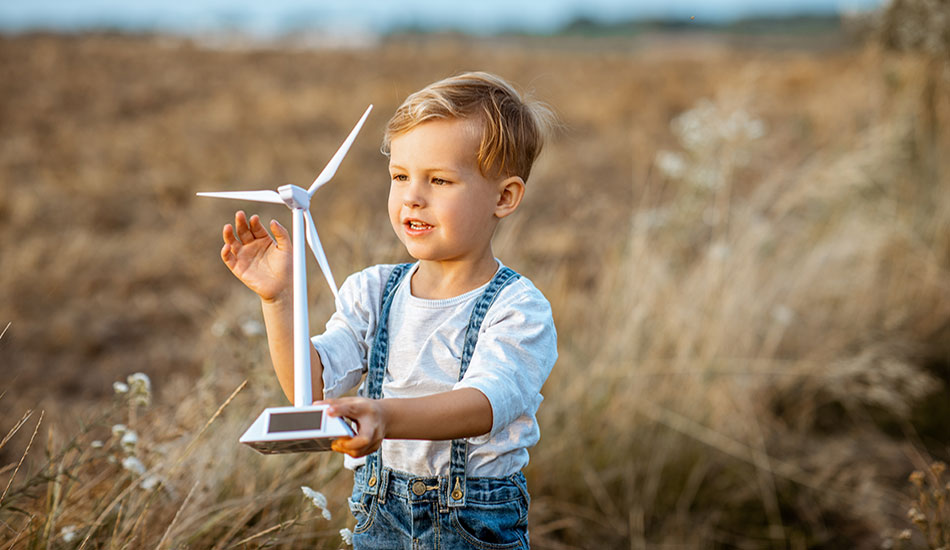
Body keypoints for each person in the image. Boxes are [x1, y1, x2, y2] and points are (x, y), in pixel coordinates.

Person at [217, 71, 557, 549]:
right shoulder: (372, 291)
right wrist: (278, 300)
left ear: (504, 197)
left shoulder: (518, 308)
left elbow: (484, 404)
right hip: (380, 512)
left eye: (439, 180)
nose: (412, 196)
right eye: (400, 177)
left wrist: (384, 415)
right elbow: (310, 391)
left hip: (474, 522)